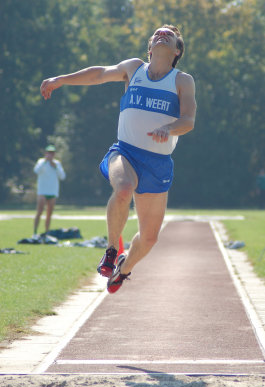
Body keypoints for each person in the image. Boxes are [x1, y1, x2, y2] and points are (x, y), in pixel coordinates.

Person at [40, 24, 196, 293]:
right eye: (157, 33)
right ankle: (112, 250)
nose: (161, 35)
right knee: (123, 189)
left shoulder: (182, 80)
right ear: (149, 48)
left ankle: (123, 269)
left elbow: (188, 121)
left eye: (169, 35)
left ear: (177, 49)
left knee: (148, 238)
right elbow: (99, 74)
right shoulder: (134, 69)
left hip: (157, 162)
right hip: (124, 151)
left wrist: (168, 129)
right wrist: (61, 79)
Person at [33, 144, 66, 235]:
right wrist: (45, 162)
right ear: (46, 153)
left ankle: (47, 232)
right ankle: (35, 232)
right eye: (48, 153)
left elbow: (62, 176)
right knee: (39, 212)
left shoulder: (57, 163)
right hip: (42, 191)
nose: (50, 155)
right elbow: (36, 171)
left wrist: (55, 166)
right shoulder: (41, 162)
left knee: (49, 214)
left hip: (52, 191)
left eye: (52, 153)